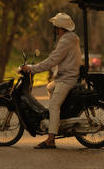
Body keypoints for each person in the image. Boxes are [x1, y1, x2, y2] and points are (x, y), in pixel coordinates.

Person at [19, 12, 82, 149]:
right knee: (50, 87)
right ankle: (56, 120)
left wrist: (32, 68)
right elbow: (56, 59)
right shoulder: (71, 38)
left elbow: (53, 60)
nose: (54, 30)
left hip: (67, 79)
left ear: (59, 28)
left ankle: (51, 139)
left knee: (53, 106)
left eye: (55, 27)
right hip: (67, 76)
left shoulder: (66, 40)